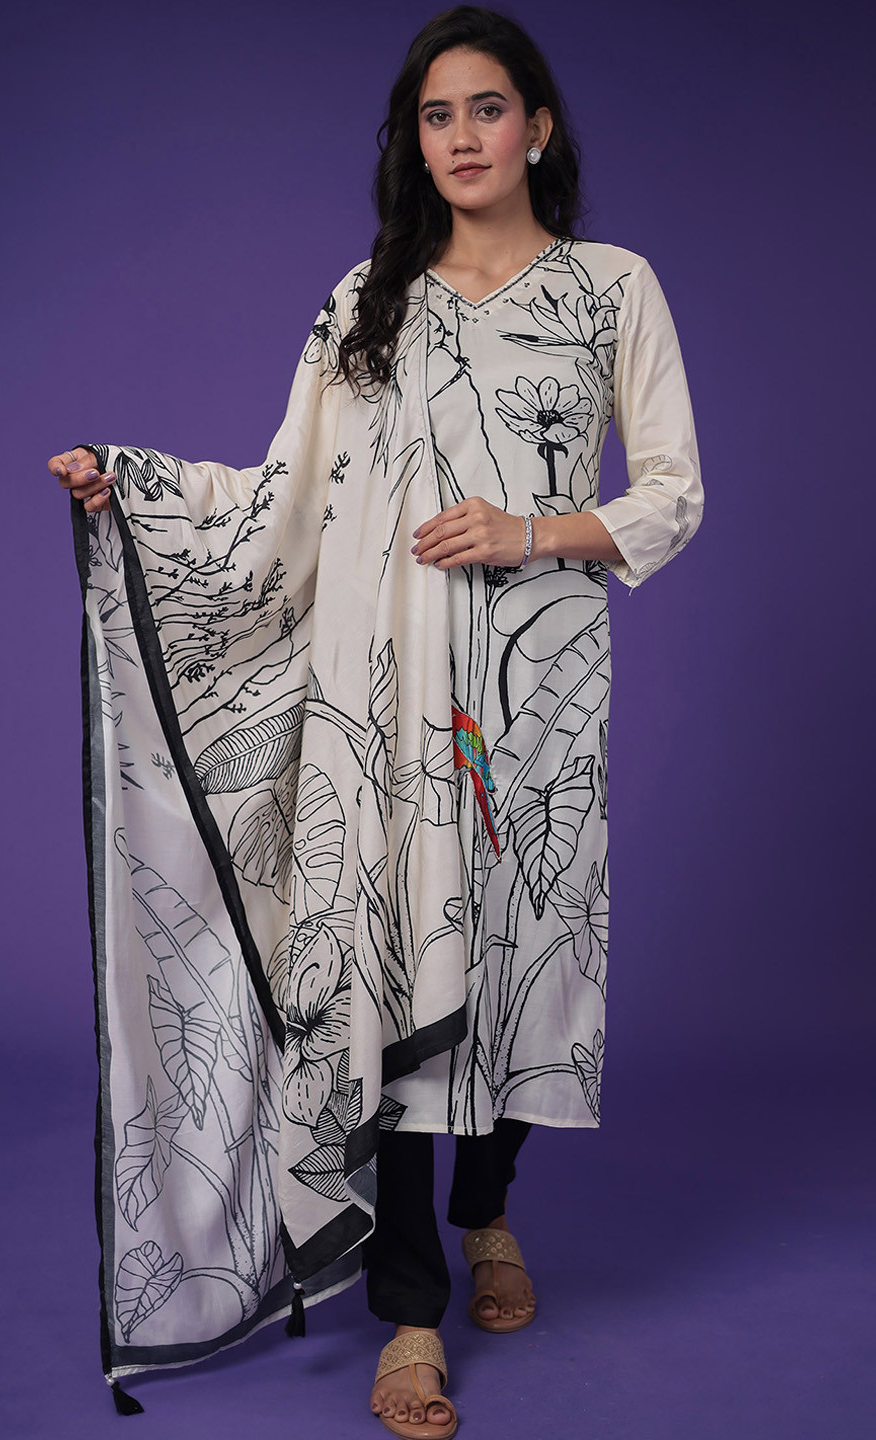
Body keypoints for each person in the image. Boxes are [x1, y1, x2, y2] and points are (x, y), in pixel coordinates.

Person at [49, 7, 702, 1434]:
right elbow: (286, 493)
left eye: (487, 108)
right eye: (435, 115)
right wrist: (134, 483)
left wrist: (529, 529)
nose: (461, 137)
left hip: (535, 702)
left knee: (520, 965)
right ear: (415, 140)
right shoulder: (368, 300)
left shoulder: (613, 289)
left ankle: (488, 1209)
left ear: (538, 127)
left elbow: (672, 492)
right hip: (380, 705)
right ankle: (410, 1309)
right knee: (386, 971)